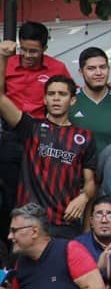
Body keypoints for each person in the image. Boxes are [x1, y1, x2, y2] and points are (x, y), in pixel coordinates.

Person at [0, 44, 96, 239]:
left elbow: (91, 182)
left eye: (62, 94)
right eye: (51, 94)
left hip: (65, 224)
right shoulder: (30, 127)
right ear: (44, 99)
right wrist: (2, 59)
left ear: (73, 100)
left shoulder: (84, 137)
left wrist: (84, 197)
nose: (56, 99)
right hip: (29, 223)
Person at [0, 23, 71, 235]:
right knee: (10, 190)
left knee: (41, 190)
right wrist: (3, 58)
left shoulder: (56, 68)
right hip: (11, 131)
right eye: (24, 49)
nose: (28, 55)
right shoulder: (8, 63)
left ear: (45, 49)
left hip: (43, 133)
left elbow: (70, 95)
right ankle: (9, 238)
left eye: (34, 51)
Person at [8, 202, 106, 289]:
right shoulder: (21, 262)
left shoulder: (69, 250)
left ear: (34, 231)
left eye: (14, 231)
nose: (9, 236)